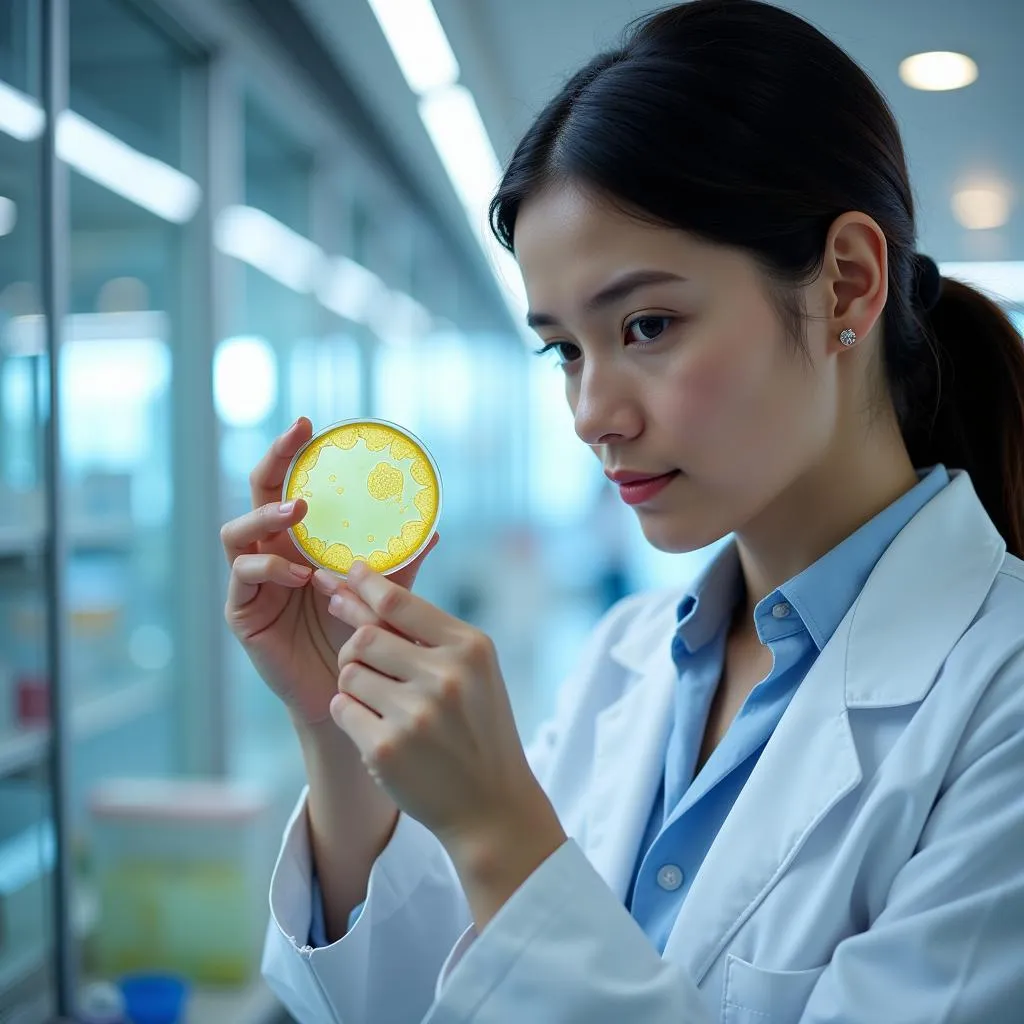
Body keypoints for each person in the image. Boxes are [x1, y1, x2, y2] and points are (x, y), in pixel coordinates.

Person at [220, 2, 1024, 1020]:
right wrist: (339, 730)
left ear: (845, 286)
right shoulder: (626, 657)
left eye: (647, 324)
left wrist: (501, 831)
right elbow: (426, 997)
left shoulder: (1000, 700)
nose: (591, 414)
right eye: (563, 349)